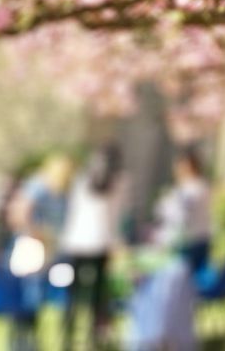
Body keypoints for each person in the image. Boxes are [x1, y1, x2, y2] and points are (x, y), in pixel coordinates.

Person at [60, 144, 124, 351]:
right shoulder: (116, 184)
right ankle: (93, 334)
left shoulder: (82, 181)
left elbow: (73, 212)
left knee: (72, 290)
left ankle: (68, 333)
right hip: (99, 243)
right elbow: (115, 219)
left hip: (77, 242)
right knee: (97, 292)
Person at [8, 154, 74, 351]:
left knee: (51, 295)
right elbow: (21, 212)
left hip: (52, 249)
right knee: (28, 296)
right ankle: (22, 343)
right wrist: (38, 232)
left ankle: (37, 341)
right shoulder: (39, 186)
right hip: (33, 246)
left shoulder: (63, 190)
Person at [156, 149, 212, 273]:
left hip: (190, 241)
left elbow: (180, 215)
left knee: (186, 279)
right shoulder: (199, 186)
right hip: (198, 238)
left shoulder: (192, 188)